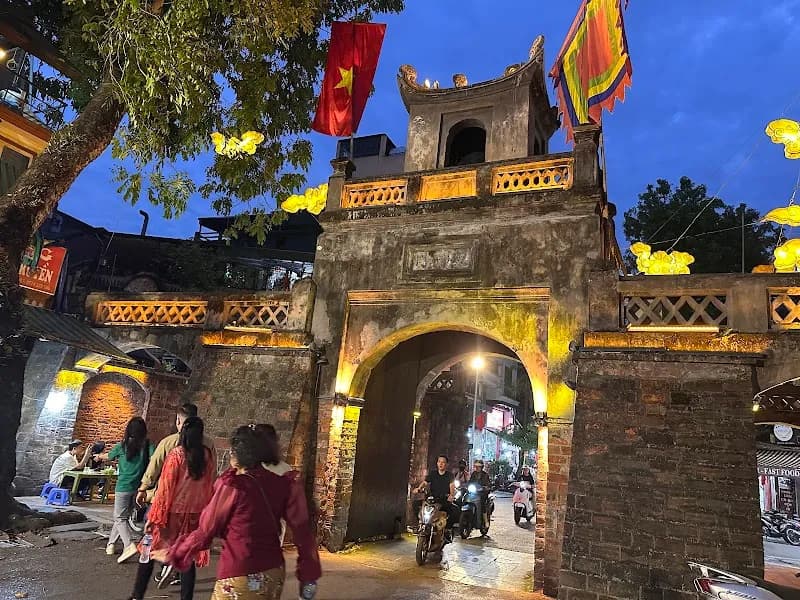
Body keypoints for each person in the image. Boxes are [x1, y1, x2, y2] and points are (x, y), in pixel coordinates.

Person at [169, 424, 322, 599]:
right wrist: (308, 576)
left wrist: (178, 552)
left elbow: (206, 531)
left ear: (238, 454)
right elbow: (303, 532)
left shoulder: (234, 486)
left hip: (240, 572)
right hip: (273, 572)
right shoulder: (283, 484)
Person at [128, 417, 216, 600]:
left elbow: (165, 489)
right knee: (188, 557)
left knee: (148, 551)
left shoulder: (177, 455)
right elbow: (210, 485)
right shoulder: (207, 456)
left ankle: (137, 595)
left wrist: (153, 518)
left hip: (171, 513)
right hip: (194, 515)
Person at [94, 417, 154, 563]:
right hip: (138, 488)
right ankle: (111, 544)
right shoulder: (148, 445)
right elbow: (155, 460)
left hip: (123, 487)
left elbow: (108, 456)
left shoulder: (122, 446)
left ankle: (128, 545)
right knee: (122, 517)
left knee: (119, 518)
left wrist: (98, 457)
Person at [136, 403, 216, 507]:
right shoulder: (209, 444)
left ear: (178, 420)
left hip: (168, 499)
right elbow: (212, 471)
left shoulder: (168, 442)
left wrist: (143, 489)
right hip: (195, 501)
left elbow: (154, 467)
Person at [412, 455, 457, 529]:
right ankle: (421, 523)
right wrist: (419, 488)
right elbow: (425, 482)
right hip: (432, 499)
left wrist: (451, 495)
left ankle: (447, 529)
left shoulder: (450, 475)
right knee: (415, 504)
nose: (441, 464)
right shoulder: (433, 474)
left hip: (443, 500)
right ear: (437, 463)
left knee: (454, 510)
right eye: (439, 462)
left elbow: (452, 487)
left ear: (446, 464)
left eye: (443, 462)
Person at [468, 459, 492, 528]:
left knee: (482, 504)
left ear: (482, 467)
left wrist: (485, 487)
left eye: (479, 467)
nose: (477, 468)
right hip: (474, 492)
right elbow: (470, 482)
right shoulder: (473, 474)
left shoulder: (485, 475)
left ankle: (485, 520)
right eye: (476, 466)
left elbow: (488, 484)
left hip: (482, 493)